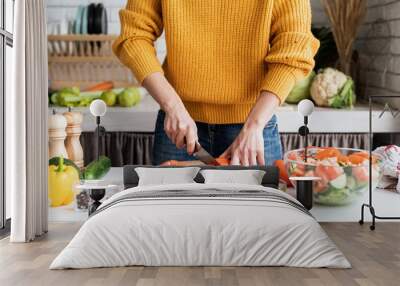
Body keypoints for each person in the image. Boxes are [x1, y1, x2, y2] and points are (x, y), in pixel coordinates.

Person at [113, 0, 319, 166]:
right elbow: (134, 36)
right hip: (180, 126)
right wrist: (172, 105)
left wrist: (254, 125)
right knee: (173, 216)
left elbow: (294, 49)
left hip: (253, 128)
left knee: (259, 217)